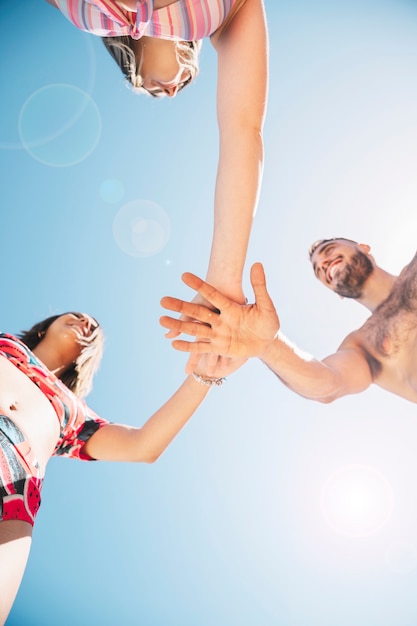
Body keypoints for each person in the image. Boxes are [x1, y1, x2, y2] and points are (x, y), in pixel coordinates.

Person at [0, 311, 238, 623]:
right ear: (44, 328)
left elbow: (143, 445)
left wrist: (205, 374)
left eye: (94, 328)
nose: (87, 323)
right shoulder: (7, 344)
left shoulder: (77, 414)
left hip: (13, 501)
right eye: (76, 316)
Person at [45, 0, 268, 310]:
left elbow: (242, 131)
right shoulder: (224, 16)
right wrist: (224, 283)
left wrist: (223, 282)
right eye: (182, 84)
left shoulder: (82, 13)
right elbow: (243, 132)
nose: (173, 90)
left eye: (155, 90)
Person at [159, 237, 417, 405]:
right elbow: (328, 383)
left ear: (364, 248)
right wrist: (268, 347)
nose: (324, 264)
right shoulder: (363, 345)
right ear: (337, 294)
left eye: (328, 252)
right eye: (319, 271)